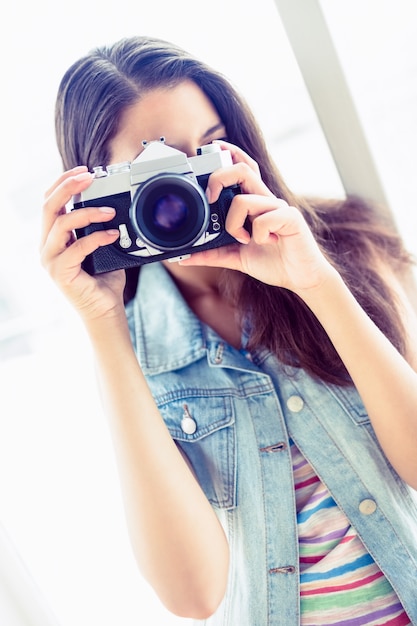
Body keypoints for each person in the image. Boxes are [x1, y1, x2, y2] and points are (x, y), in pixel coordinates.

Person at [40, 35, 417, 625]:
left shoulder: (348, 248)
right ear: (98, 193)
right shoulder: (129, 345)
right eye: (153, 169)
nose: (184, 191)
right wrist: (102, 323)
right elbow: (194, 596)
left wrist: (315, 282)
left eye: (207, 149)